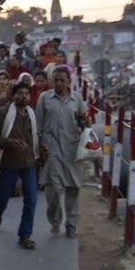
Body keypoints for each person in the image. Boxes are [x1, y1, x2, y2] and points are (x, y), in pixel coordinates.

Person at [36, 66, 89, 239]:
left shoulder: (77, 100)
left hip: (73, 151)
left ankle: (71, 225)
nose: (59, 83)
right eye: (56, 80)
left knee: (73, 189)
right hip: (51, 150)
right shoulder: (45, 98)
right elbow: (38, 126)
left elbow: (85, 125)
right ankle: (55, 220)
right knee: (54, 191)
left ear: (68, 82)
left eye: (62, 80)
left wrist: (85, 121)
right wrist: (39, 147)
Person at [0, 83, 40, 249]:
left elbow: (35, 138)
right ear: (13, 95)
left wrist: (42, 150)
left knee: (31, 199)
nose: (23, 96)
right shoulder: (2, 113)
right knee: (3, 195)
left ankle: (25, 235)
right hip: (9, 163)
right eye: (20, 93)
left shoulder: (32, 114)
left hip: (29, 163)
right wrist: (10, 143)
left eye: (26, 94)